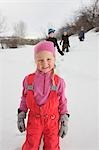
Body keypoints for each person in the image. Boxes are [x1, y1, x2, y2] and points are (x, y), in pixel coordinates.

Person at [17, 40, 70, 150]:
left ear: (54, 59)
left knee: (52, 145)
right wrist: (21, 114)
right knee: (31, 145)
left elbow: (62, 101)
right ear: (35, 61)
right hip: (34, 120)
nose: (45, 64)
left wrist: (64, 118)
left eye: (48, 59)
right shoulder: (29, 80)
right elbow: (24, 98)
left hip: (52, 120)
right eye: (40, 60)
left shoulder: (59, 81)